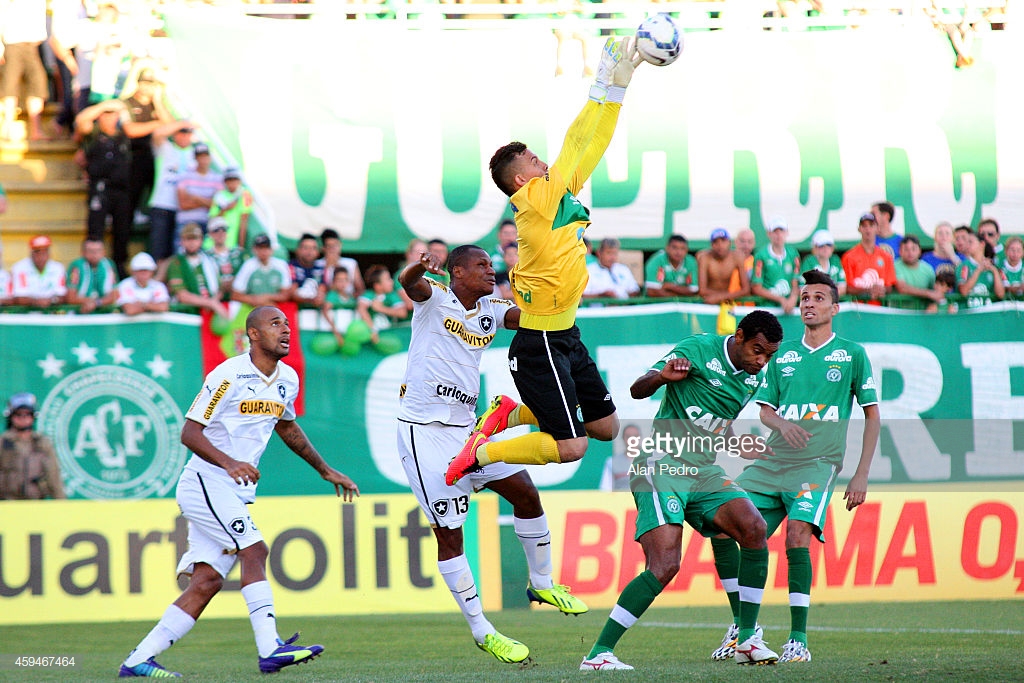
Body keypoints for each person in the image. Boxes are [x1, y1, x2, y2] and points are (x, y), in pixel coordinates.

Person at [118, 305, 359, 677]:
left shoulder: (287, 379)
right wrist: (229, 463)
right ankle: (270, 648)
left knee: (208, 581)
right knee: (255, 549)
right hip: (205, 482)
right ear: (254, 334)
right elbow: (190, 432)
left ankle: (137, 660)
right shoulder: (229, 374)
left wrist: (326, 471)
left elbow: (287, 427)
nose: (285, 328)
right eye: (275, 323)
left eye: (287, 323)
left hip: (233, 490)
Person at [445, 37, 642, 486]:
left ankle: (512, 413)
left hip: (564, 332)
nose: (544, 162)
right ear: (520, 179)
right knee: (572, 447)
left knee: (605, 427)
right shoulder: (534, 199)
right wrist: (602, 90)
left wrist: (616, 93)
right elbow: (577, 145)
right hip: (542, 342)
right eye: (535, 160)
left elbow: (586, 149)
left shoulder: (549, 193)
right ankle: (483, 450)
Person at [397, 245, 587, 664]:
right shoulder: (434, 297)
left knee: (526, 494)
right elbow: (407, 282)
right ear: (457, 272)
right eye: (481, 265)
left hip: (468, 430)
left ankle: (542, 582)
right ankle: (483, 629)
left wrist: (562, 288)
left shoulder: (490, 308)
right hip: (423, 432)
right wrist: (419, 266)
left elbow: (534, 318)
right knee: (449, 534)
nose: (490, 269)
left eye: (490, 264)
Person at [581, 310, 784, 671]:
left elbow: (714, 424)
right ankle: (598, 654)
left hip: (704, 469)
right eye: (757, 350)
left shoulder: (753, 379)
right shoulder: (698, 348)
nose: (761, 360)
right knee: (665, 565)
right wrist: (661, 377)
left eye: (769, 355)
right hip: (662, 463)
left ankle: (747, 638)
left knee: (753, 528)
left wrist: (741, 445)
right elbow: (636, 389)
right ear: (739, 337)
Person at [708, 270, 879, 664]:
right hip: (771, 463)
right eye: (804, 297)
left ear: (834, 308)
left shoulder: (851, 354)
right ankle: (742, 628)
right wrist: (782, 423)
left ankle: (798, 639)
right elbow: (766, 411)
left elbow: (872, 415)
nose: (808, 303)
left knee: (796, 536)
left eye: (818, 298)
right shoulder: (781, 356)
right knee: (720, 526)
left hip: (816, 465)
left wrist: (862, 472)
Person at [75, 98, 134, 277]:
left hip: (121, 189)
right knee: (95, 229)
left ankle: (119, 266)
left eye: (112, 114)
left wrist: (120, 108)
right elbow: (81, 121)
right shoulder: (93, 134)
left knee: (122, 229)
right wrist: (104, 105)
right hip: (100, 187)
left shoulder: (124, 134)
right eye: (105, 115)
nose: (109, 118)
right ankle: (92, 266)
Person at [122, 68, 174, 223]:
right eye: (144, 83)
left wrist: (158, 101)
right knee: (131, 194)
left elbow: (171, 126)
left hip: (152, 156)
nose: (147, 87)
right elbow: (131, 130)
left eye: (151, 84)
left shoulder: (156, 106)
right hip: (132, 155)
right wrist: (157, 123)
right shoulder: (127, 103)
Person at [0, 392, 66, 500]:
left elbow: (53, 476)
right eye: (18, 414)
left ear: (33, 416)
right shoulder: (2, 442)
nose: (23, 418)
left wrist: (61, 502)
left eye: (27, 414)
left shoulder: (42, 443)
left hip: (35, 504)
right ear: (11, 416)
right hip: (6, 504)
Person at [0, 0, 49, 141]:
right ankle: (8, 127)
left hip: (32, 47)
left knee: (38, 84)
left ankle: (36, 130)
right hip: (12, 44)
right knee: (10, 84)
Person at [165, 222, 230, 319]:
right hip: (188, 315)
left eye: (195, 239)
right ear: (182, 241)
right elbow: (182, 295)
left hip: (212, 313)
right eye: (188, 239)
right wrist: (211, 303)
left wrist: (214, 301)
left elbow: (221, 287)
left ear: (201, 240)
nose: (192, 243)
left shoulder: (210, 259)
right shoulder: (176, 262)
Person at [841, 213, 895, 304]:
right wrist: (869, 290)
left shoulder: (886, 257)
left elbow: (890, 285)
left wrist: (882, 290)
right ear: (859, 229)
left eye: (871, 225)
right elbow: (847, 287)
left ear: (877, 229)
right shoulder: (849, 256)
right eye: (864, 226)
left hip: (879, 310)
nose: (868, 229)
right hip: (857, 310)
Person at [750, 218, 800, 314]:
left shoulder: (793, 254)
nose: (779, 235)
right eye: (775, 232)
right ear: (769, 234)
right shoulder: (761, 255)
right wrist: (780, 299)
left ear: (787, 233)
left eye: (781, 231)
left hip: (788, 308)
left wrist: (793, 298)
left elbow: (795, 281)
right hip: (767, 308)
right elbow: (756, 287)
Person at [175, 142, 221, 240]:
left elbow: (216, 205)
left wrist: (196, 198)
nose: (203, 160)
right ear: (195, 158)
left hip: (206, 223)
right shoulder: (185, 176)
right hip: (185, 222)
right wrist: (206, 202)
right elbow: (183, 204)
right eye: (200, 157)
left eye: (205, 156)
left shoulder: (217, 178)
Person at [231, 235, 292, 308]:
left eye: (266, 248)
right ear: (254, 250)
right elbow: (236, 295)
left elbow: (286, 294)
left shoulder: (281, 265)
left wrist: (267, 297)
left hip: (274, 308)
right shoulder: (248, 265)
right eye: (260, 248)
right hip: (252, 309)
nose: (263, 252)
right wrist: (256, 300)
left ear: (271, 250)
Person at [356, 264, 408, 344]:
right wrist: (372, 330)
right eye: (388, 279)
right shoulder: (369, 294)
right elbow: (361, 309)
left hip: (388, 335)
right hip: (370, 336)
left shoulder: (392, 296)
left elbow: (402, 313)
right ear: (378, 286)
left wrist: (380, 308)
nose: (392, 281)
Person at [10, 235, 67, 308]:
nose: (41, 255)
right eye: (37, 251)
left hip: (52, 312)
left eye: (45, 251)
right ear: (31, 253)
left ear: (49, 253)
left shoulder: (58, 268)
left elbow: (62, 295)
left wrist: (51, 300)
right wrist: (36, 302)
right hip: (27, 314)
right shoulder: (20, 268)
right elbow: (20, 298)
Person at [66, 237, 119, 313]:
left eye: (98, 250)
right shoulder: (76, 266)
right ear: (83, 252)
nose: (95, 254)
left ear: (104, 252)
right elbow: (71, 297)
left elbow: (115, 294)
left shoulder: (109, 265)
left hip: (105, 311)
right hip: (80, 312)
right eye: (90, 251)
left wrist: (97, 303)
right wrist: (91, 302)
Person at [698, 228, 750, 305]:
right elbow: (702, 290)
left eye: (723, 241)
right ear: (711, 245)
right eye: (716, 242)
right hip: (708, 301)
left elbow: (746, 290)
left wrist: (720, 297)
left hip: (724, 300)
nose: (720, 245)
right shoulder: (704, 258)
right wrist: (723, 297)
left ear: (729, 242)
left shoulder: (737, 257)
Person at [957, 228, 1004, 308]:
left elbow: (1000, 294)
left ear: (982, 244)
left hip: (988, 314)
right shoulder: (963, 266)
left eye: (970, 242)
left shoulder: (993, 266)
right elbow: (964, 291)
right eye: (966, 242)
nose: (967, 245)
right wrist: (978, 270)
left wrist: (995, 271)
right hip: (969, 313)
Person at [208, 167, 253, 251]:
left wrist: (241, 246)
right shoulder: (219, 195)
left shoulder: (244, 194)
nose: (232, 183)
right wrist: (226, 209)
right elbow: (212, 220)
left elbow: (243, 223)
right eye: (229, 180)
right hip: (212, 243)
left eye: (235, 179)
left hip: (230, 244)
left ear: (239, 181)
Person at [204, 216, 245, 302]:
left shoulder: (239, 253)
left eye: (223, 230)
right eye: (216, 231)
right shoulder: (205, 256)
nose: (220, 233)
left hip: (238, 299)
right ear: (210, 234)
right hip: (215, 299)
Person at [116, 252, 169, 316]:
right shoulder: (125, 285)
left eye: (146, 270)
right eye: (140, 270)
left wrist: (142, 304)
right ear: (133, 272)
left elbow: (163, 307)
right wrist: (153, 306)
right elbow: (130, 310)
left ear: (152, 271)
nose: (144, 273)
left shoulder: (158, 286)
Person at [893, 235, 939, 308]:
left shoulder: (928, 269)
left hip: (922, 315)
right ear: (900, 251)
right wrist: (928, 293)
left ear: (919, 251)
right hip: (899, 314)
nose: (910, 252)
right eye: (906, 249)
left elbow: (936, 290)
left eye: (913, 249)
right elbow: (902, 288)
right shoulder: (895, 266)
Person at [800, 230, 846, 297]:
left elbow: (842, 288)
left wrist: (827, 298)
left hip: (834, 302)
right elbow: (803, 289)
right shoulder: (809, 262)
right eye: (821, 246)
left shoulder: (835, 260)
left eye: (828, 245)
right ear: (814, 248)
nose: (826, 248)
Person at [321, 227, 364, 297]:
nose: (333, 249)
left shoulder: (351, 263)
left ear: (340, 245)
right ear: (323, 248)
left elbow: (360, 288)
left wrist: (348, 299)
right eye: (329, 246)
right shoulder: (317, 265)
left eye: (335, 245)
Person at [288, 233, 326, 307]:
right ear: (298, 250)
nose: (309, 252)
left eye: (313, 248)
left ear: (318, 252)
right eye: (306, 248)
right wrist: (311, 300)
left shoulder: (320, 268)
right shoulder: (290, 266)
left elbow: (322, 288)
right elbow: (292, 293)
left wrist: (319, 298)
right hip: (294, 311)